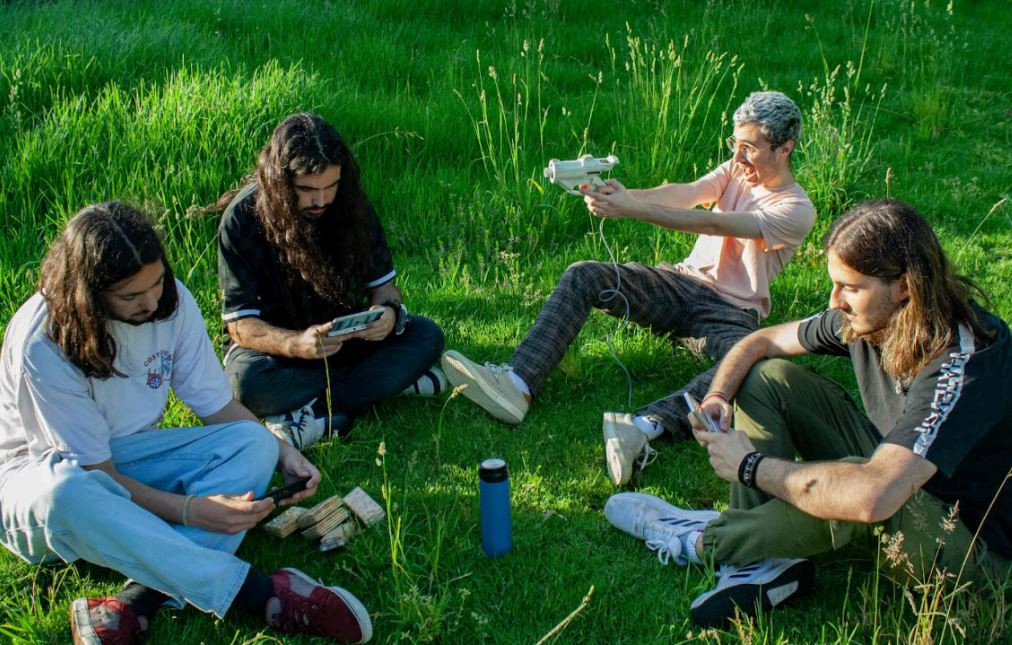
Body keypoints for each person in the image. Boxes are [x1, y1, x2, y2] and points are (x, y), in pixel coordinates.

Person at [604, 199, 1011, 626]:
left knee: (860, 484)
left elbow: (873, 496)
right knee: (769, 377)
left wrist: (750, 466)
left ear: (904, 287)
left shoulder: (964, 366)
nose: (835, 300)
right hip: (905, 476)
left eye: (850, 287)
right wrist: (718, 396)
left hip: (976, 551)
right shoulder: (871, 317)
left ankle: (707, 539)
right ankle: (762, 561)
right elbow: (760, 342)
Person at [0, 203, 372, 643]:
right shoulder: (44, 342)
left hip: (124, 455)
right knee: (68, 493)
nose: (152, 301)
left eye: (156, 282)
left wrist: (282, 449)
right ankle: (261, 595)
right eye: (131, 296)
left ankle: (134, 604)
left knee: (253, 444)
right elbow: (96, 474)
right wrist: (191, 511)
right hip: (43, 480)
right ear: (88, 294)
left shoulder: (173, 302)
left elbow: (217, 406)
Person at [441, 91, 817, 485]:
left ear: (784, 148)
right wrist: (623, 197)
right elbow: (687, 193)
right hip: (680, 284)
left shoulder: (795, 209)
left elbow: (715, 224)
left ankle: (642, 427)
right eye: (734, 146)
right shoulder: (736, 169)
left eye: (749, 149)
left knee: (743, 366)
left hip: (731, 312)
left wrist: (633, 210)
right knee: (585, 274)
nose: (739, 158)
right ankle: (517, 384)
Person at [217, 113, 445, 450]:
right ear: (280, 183)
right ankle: (381, 387)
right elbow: (240, 325)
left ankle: (311, 412)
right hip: (278, 352)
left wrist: (388, 314)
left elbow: (384, 286)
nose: (321, 200)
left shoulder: (351, 204)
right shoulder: (241, 219)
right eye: (307, 190)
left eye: (330, 187)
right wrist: (295, 343)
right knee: (246, 385)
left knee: (426, 335)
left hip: (343, 340)